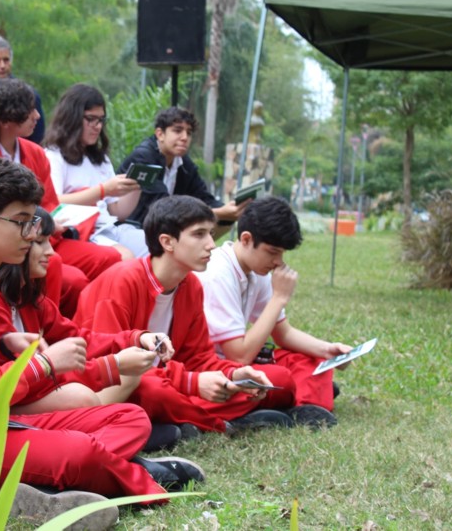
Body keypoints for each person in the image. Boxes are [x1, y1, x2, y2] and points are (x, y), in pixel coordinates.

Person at [0, 155, 204, 527]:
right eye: (22, 223)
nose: (32, 237)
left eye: (32, 223)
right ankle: (126, 477)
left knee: (126, 419)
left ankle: (62, 483)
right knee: (81, 451)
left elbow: (69, 340)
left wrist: (9, 349)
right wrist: (44, 363)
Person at [75, 195, 298, 435]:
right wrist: (193, 383)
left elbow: (199, 359)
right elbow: (118, 366)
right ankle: (216, 424)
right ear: (167, 242)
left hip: (172, 382)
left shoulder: (190, 285)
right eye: (199, 234)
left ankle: (178, 422)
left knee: (279, 379)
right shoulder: (123, 280)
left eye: (211, 233)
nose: (211, 244)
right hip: (118, 385)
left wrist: (233, 374)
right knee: (153, 391)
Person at [0, 78, 121, 316]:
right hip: (1, 241)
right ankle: (41, 331)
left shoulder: (33, 152)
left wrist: (54, 223)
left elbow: (50, 205)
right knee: (64, 273)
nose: (37, 116)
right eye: (29, 110)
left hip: (44, 238)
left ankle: (89, 332)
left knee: (111, 259)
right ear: (5, 119)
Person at [0, 207, 173, 415]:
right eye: (40, 242)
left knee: (128, 377)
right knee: (80, 396)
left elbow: (79, 338)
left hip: (38, 391)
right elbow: (27, 381)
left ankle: (104, 423)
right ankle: (105, 423)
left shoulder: (30, 298)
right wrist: (112, 365)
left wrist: (137, 338)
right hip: (9, 403)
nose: (51, 251)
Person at [195, 196, 350, 427]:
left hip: (239, 362)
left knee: (312, 359)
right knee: (280, 379)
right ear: (246, 239)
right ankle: (299, 395)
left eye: (282, 254)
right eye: (272, 252)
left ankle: (307, 406)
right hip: (213, 365)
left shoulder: (257, 271)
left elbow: (283, 334)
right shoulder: (218, 273)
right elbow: (239, 356)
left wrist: (328, 350)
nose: (278, 262)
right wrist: (279, 298)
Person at [44, 84, 147, 259]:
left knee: (164, 249)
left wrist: (136, 186)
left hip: (110, 228)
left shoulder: (100, 159)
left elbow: (116, 211)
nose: (97, 126)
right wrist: (102, 190)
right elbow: (54, 202)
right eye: (90, 119)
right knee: (125, 257)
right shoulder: (54, 155)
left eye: (101, 120)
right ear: (72, 118)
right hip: (81, 232)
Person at [117, 107, 247, 239]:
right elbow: (162, 205)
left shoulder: (183, 163)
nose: (185, 137)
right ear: (160, 134)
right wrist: (218, 213)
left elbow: (203, 197)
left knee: (224, 222)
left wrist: (230, 209)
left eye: (189, 133)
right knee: (196, 230)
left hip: (160, 228)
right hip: (131, 228)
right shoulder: (144, 157)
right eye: (177, 130)